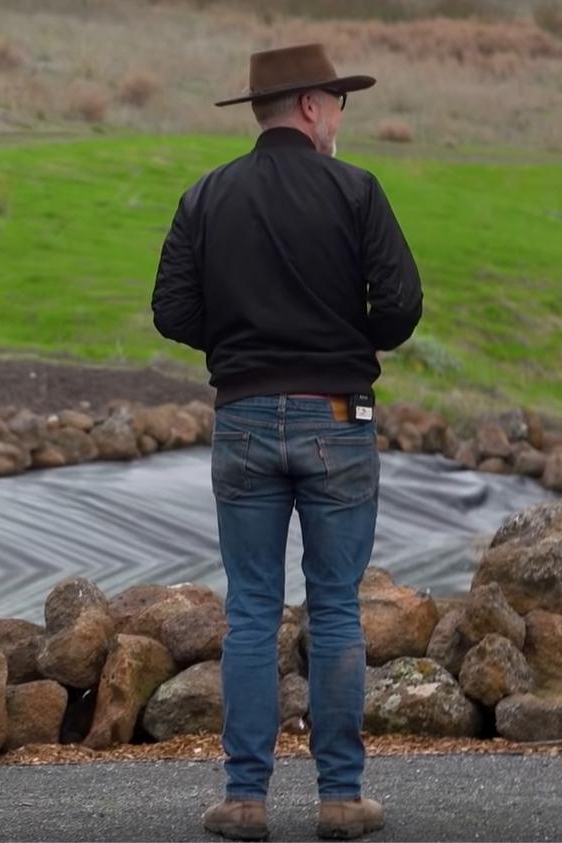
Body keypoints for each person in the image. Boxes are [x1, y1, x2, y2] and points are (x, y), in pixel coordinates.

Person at [150, 43, 423, 841]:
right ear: (310, 106)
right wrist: (347, 340)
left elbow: (172, 311)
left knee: (251, 611)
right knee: (336, 607)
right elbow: (402, 305)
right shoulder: (357, 191)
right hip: (338, 415)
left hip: (241, 415)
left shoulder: (205, 196)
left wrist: (238, 347)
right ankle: (341, 798)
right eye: (338, 101)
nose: (341, 116)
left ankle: (244, 799)